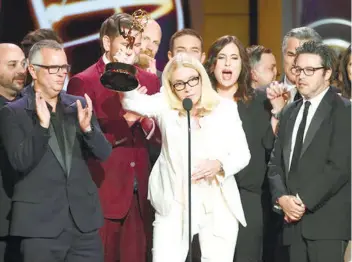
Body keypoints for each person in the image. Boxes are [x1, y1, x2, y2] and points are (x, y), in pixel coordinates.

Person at [117, 52, 250, 262]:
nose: (187, 87)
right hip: (174, 201)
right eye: (179, 83)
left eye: (192, 80)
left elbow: (242, 154)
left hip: (215, 202)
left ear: (201, 78)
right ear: (171, 87)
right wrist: (124, 69)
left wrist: (219, 164)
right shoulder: (166, 105)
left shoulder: (225, 108)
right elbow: (133, 103)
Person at [0, 39, 112, 262]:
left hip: (83, 225)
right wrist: (41, 127)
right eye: (54, 69)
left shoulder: (78, 105)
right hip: (40, 227)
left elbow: (104, 153)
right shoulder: (14, 112)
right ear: (33, 70)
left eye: (64, 68)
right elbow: (20, 162)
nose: (61, 74)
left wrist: (88, 129)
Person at [67, 12, 160, 262]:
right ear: (107, 43)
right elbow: (81, 144)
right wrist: (126, 121)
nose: (132, 49)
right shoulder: (83, 82)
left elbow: (160, 136)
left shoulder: (151, 82)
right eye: (126, 42)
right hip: (104, 194)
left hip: (141, 196)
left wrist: (147, 120)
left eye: (136, 43)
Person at [204, 35, 285, 262]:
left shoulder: (259, 101)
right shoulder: (201, 101)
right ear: (212, 64)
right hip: (210, 194)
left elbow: (271, 147)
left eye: (234, 58)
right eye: (222, 58)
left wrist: (277, 112)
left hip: (248, 198)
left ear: (243, 66)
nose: (228, 64)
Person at [268, 41, 351, 262]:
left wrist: (301, 202)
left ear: (327, 73)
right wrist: (282, 199)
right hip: (292, 226)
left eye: (309, 70)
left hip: (327, 227)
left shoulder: (344, 110)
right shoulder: (289, 112)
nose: (301, 76)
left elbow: (339, 167)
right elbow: (275, 163)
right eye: (297, 69)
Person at [0, 43, 27, 262]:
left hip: (27, 222)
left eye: (23, 63)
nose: (21, 70)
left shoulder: (32, 107)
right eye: (12, 65)